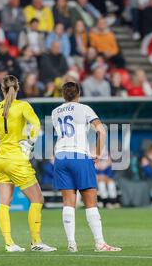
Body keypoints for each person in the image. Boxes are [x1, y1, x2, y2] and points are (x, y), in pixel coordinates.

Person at [0, 75, 56, 252]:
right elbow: (35, 124)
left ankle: (9, 243)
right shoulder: (22, 106)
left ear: (1, 89)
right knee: (37, 199)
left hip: (0, 160)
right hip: (17, 159)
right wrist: (30, 141)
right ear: (17, 88)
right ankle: (36, 242)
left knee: (4, 202)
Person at [51, 81, 121, 252]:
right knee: (91, 202)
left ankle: (71, 243)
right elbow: (101, 131)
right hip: (79, 156)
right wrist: (97, 152)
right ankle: (100, 243)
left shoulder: (55, 112)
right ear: (78, 94)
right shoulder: (85, 109)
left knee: (68, 202)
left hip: (60, 156)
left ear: (63, 95)